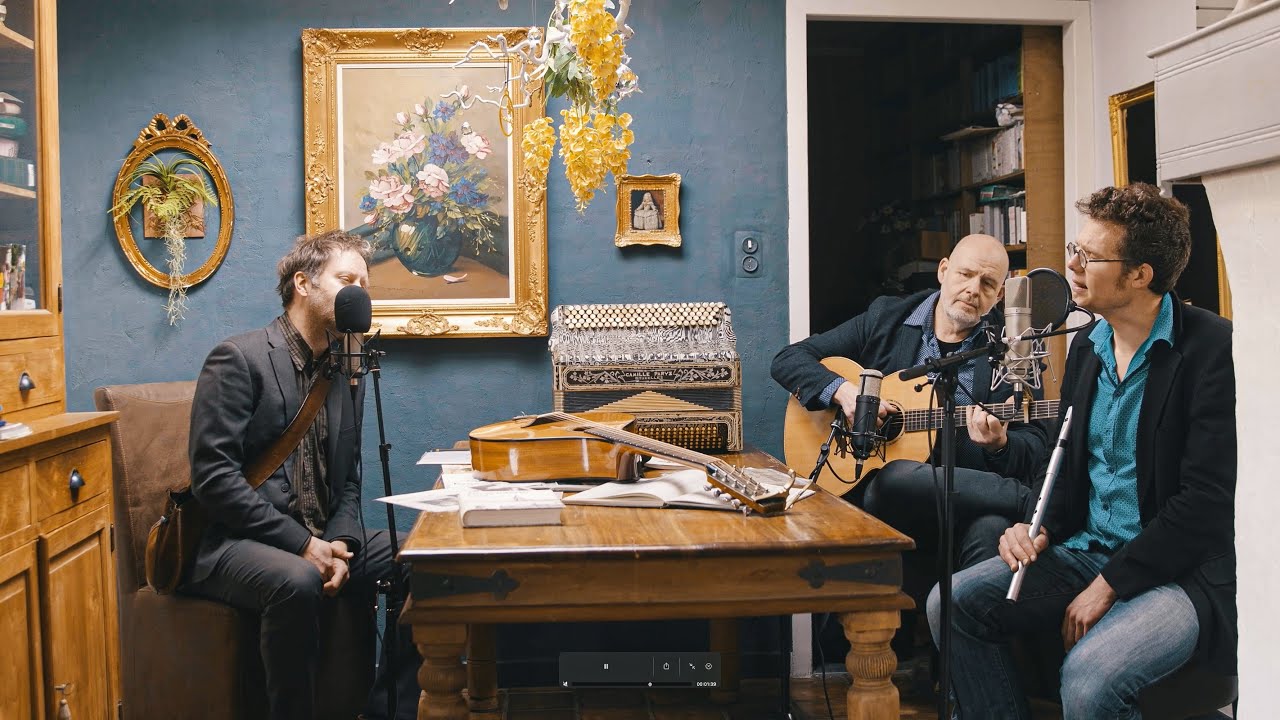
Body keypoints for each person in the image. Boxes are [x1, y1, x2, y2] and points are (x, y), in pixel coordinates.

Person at [929, 183, 1236, 718]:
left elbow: (1205, 502)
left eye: (1089, 257)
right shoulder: (1088, 347)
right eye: (1075, 249)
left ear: (1140, 275)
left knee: (1091, 680)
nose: (1072, 266)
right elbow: (1066, 468)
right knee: (950, 605)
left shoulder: (1211, 349)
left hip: (1177, 573)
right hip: (1087, 548)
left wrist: (1109, 585)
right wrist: (1036, 526)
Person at [183, 230, 419, 720]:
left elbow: (348, 479)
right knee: (296, 581)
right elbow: (214, 480)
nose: (359, 291)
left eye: (364, 283)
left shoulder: (345, 366)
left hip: (317, 536)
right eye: (346, 279)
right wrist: (301, 544)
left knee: (424, 556)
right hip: (233, 542)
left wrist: (340, 543)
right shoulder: (239, 359)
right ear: (303, 283)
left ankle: (383, 709)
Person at [772, 234, 1050, 579]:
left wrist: (1000, 446)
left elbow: (1036, 445)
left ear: (1000, 295)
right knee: (894, 479)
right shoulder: (886, 317)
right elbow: (789, 359)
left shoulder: (1014, 348)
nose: (973, 289)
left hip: (971, 499)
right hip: (888, 495)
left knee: (990, 531)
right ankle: (1031, 504)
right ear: (944, 271)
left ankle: (956, 625)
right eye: (965, 274)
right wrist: (844, 392)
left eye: (988, 283)